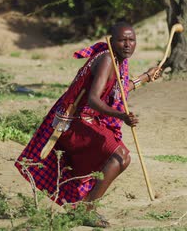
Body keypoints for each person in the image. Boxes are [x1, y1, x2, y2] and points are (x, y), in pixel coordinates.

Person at [15, 22, 160, 227]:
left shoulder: (117, 59)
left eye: (132, 40)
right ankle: (85, 210)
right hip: (74, 121)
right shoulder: (108, 59)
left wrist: (145, 77)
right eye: (122, 40)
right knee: (120, 156)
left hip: (88, 119)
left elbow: (117, 88)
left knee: (121, 158)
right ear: (112, 41)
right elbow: (93, 99)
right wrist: (121, 115)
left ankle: (84, 208)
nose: (128, 44)